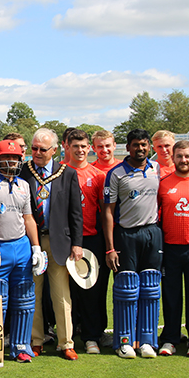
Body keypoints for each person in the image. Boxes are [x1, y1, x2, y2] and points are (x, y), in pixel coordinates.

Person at [0, 140, 44, 363]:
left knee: (24, 298)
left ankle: (21, 346)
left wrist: (36, 247)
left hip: (21, 246)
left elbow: (29, 218)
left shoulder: (24, 185)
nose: (11, 161)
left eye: (14, 157)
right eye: (6, 157)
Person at [22, 128, 83, 360]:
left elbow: (75, 212)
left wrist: (77, 243)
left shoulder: (66, 174)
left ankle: (65, 342)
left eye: (42, 149)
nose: (36, 153)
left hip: (59, 242)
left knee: (61, 294)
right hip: (31, 243)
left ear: (55, 150)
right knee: (33, 293)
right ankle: (36, 340)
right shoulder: (24, 171)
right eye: (34, 148)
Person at [103, 129, 162, 359]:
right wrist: (110, 248)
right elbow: (107, 212)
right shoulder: (116, 174)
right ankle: (124, 341)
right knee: (126, 287)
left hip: (152, 232)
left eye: (145, 145)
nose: (141, 149)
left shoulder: (156, 169)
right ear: (127, 147)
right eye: (136, 144)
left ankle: (146, 341)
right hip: (126, 235)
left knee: (149, 286)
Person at [157, 140, 189, 357]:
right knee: (171, 296)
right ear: (173, 157)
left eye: (187, 156)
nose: (183, 160)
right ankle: (170, 338)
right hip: (170, 248)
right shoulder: (163, 183)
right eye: (179, 156)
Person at [63, 129, 108, 354]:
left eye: (83, 147)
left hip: (91, 239)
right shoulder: (60, 173)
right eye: (75, 147)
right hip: (66, 241)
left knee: (91, 291)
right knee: (66, 292)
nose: (80, 151)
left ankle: (91, 337)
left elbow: (103, 210)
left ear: (89, 148)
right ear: (67, 148)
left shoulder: (98, 175)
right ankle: (66, 337)